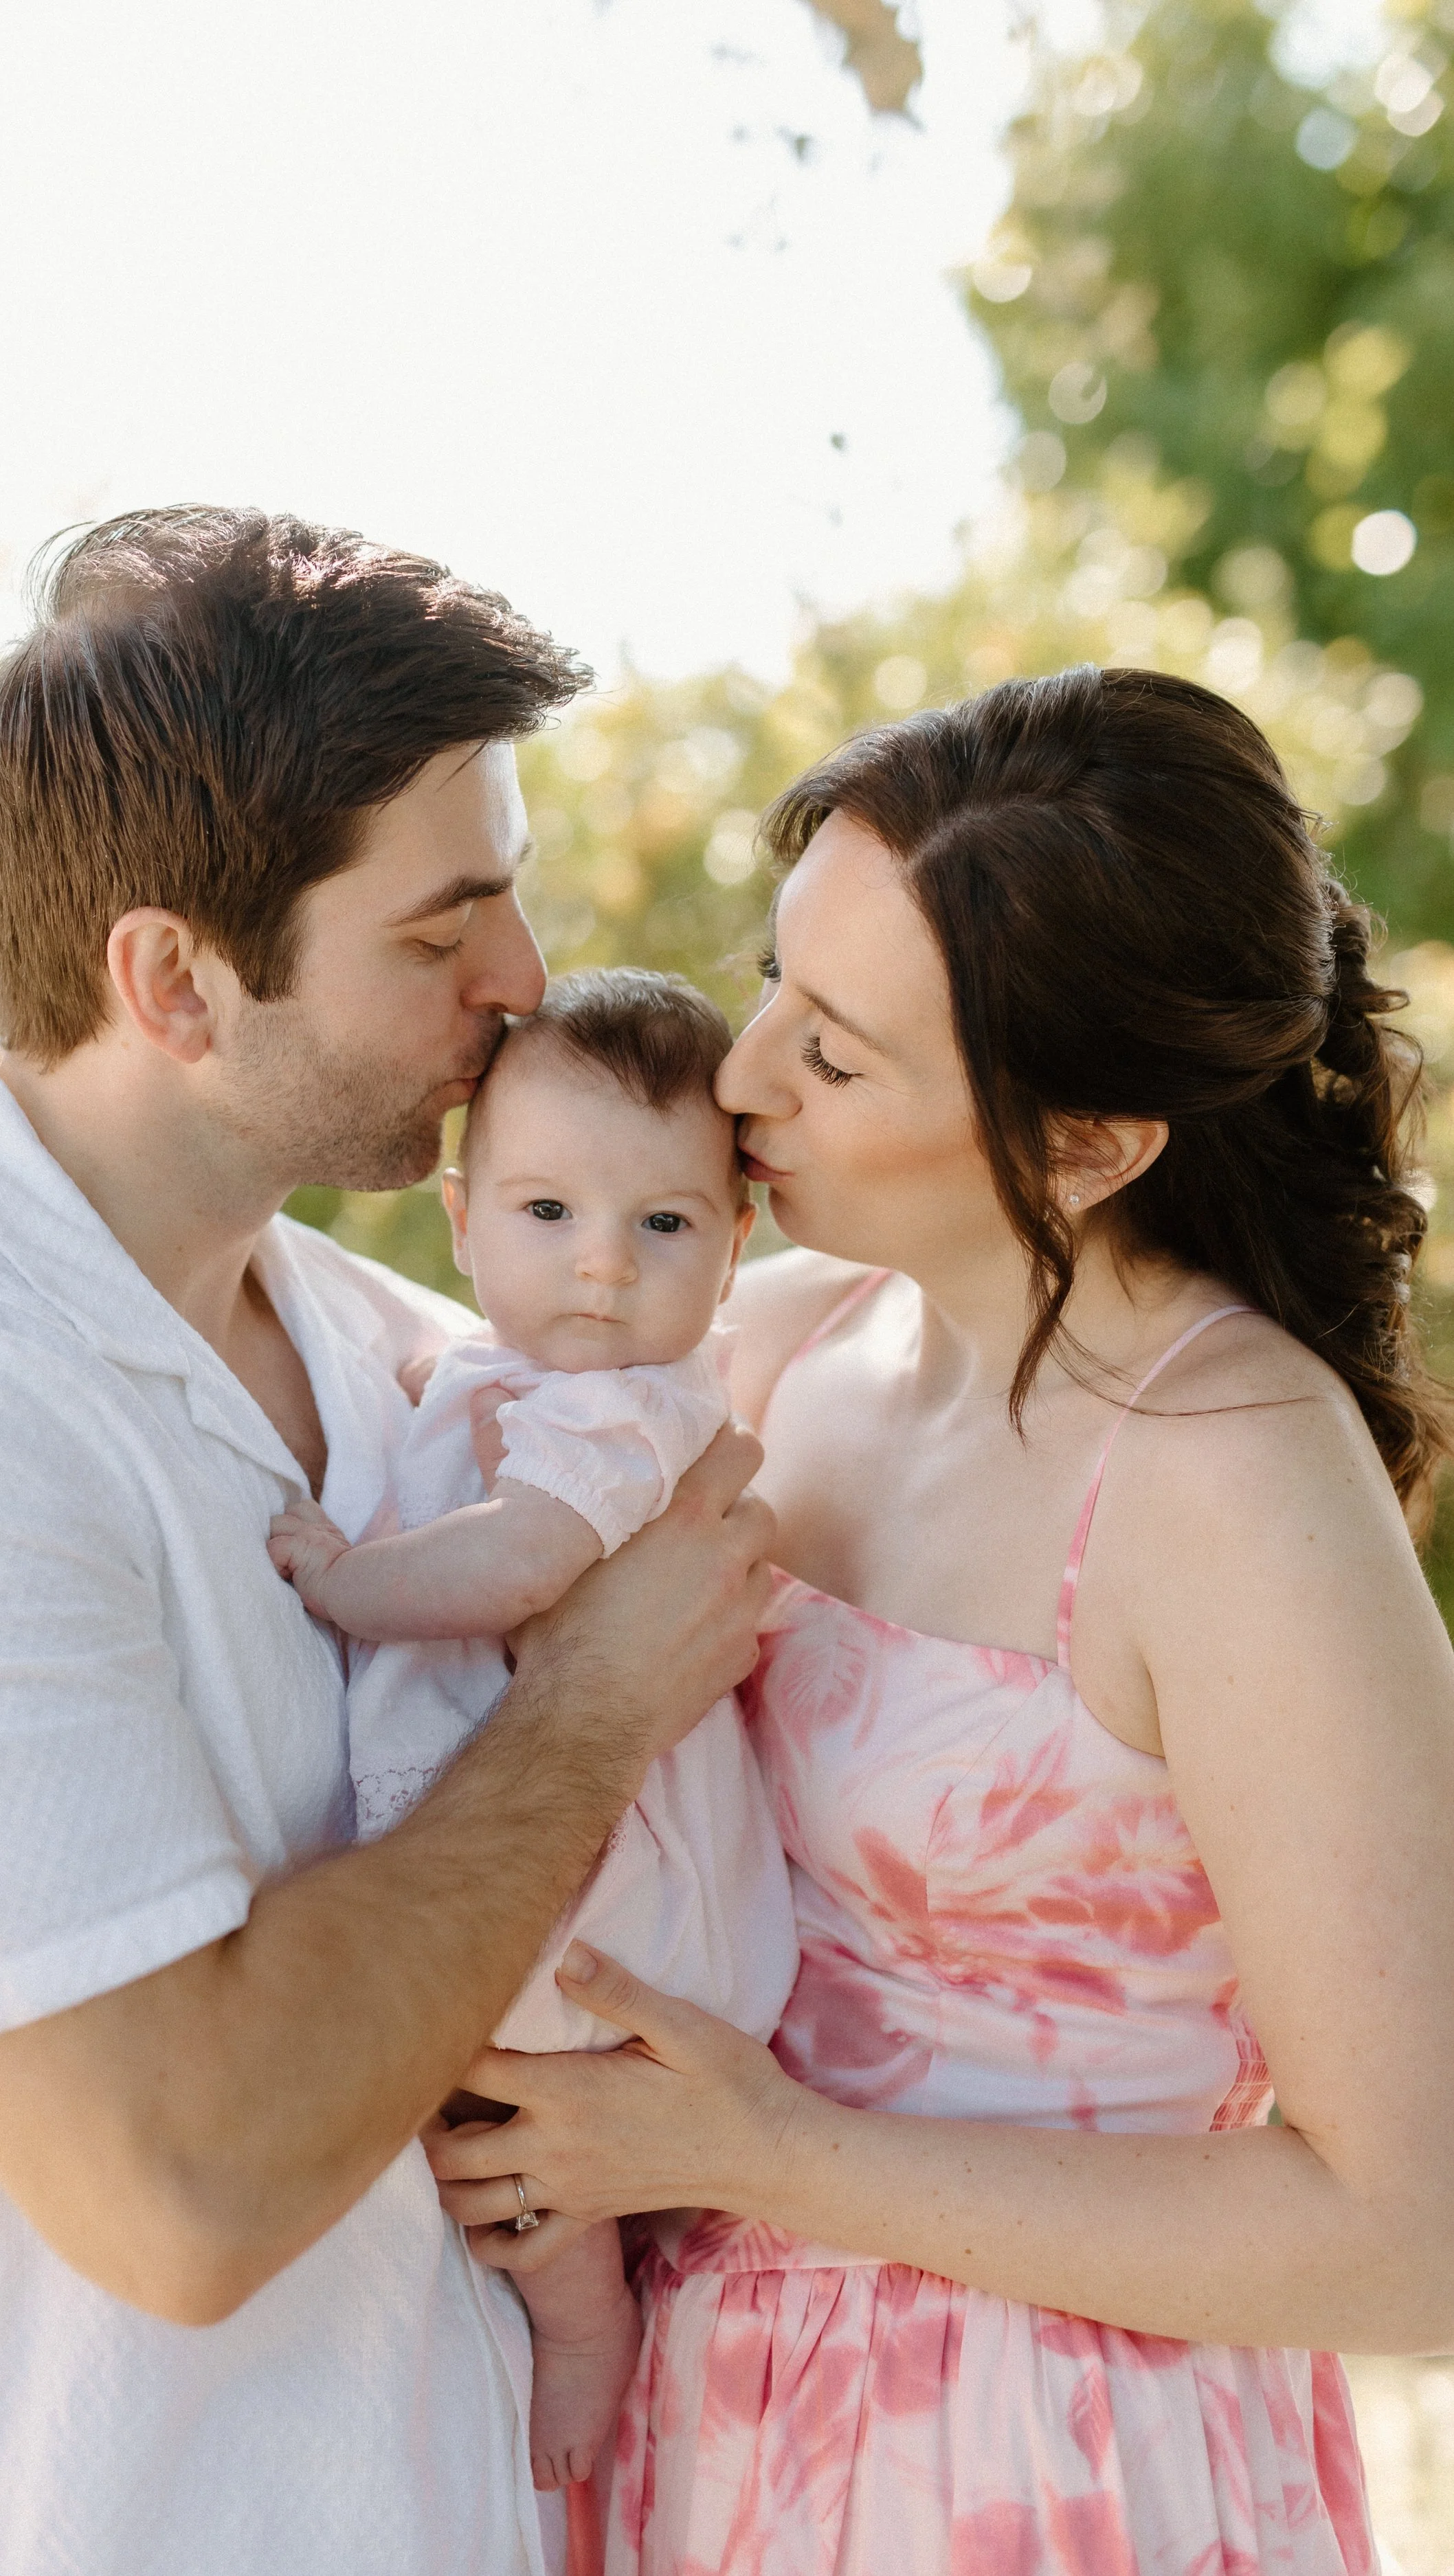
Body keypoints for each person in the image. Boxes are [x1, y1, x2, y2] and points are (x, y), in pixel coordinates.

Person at [0, 508, 775, 2576]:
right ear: (174, 978)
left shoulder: (412, 1350)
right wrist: (590, 1705)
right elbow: (184, 2181)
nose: (524, 984)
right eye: (438, 928)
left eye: (514, 897)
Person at [429, 666, 1454, 2575]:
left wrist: (763, 2155)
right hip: (705, 2417)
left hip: (1044, 2463)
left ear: (1086, 1141)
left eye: (834, 1055)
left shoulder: (1229, 1475)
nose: (736, 1081)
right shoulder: (775, 1342)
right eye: (773, 984)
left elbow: (1417, 2235)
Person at [269, 966, 798, 2496]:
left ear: (734, 1241)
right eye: (547, 1213)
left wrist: (342, 1581)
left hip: (601, 1889)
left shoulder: (632, 1410)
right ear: (459, 1221)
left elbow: (514, 1564)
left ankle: (583, 2324)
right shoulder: (485, 1372)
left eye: (663, 1225)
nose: (603, 1273)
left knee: (490, 2090)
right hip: (551, 1836)